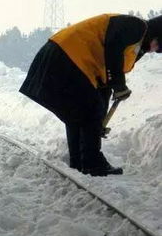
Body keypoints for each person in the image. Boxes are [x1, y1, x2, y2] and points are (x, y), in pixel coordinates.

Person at [20, 14, 162, 176]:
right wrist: (119, 85)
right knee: (90, 110)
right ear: (157, 33)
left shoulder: (136, 45)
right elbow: (112, 48)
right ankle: (93, 163)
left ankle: (79, 161)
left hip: (63, 56)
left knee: (79, 113)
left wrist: (100, 119)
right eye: (158, 45)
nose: (154, 50)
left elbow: (104, 81)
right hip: (67, 55)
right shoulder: (136, 27)